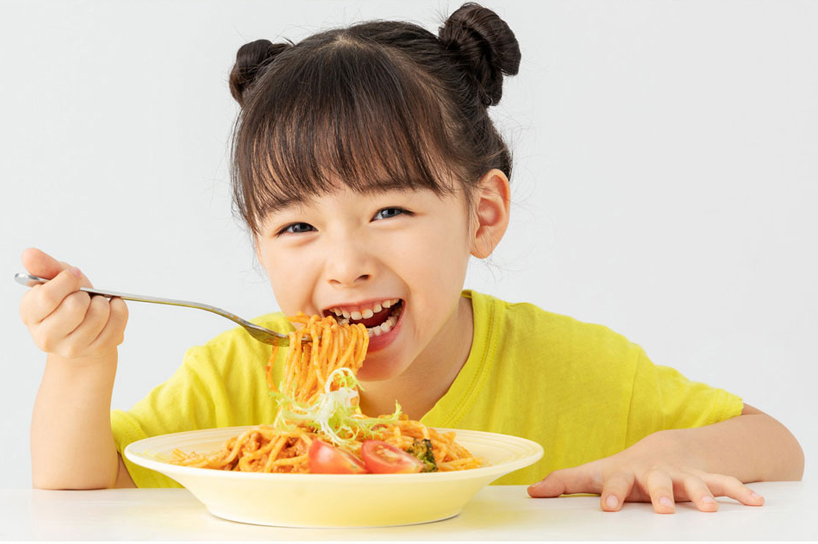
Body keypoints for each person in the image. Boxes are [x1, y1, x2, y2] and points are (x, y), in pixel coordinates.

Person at [19, 2, 803, 514]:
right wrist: (81, 361)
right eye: (298, 226)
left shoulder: (571, 368)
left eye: (389, 212)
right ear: (258, 242)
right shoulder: (241, 373)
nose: (347, 263)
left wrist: (674, 451)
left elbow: (778, 444)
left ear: (482, 215)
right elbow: (82, 484)